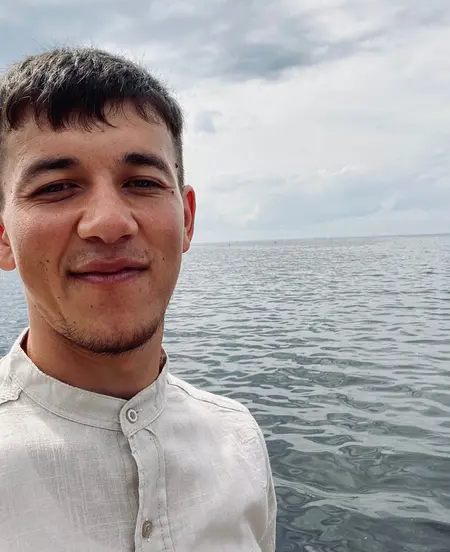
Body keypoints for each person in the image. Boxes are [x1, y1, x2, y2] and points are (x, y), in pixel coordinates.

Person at [0, 48, 277, 551]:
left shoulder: (237, 439)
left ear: (186, 219)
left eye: (142, 183)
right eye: (57, 187)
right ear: (3, 235)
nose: (108, 223)